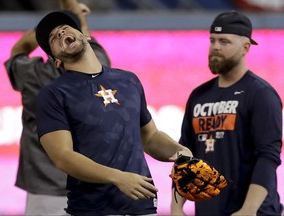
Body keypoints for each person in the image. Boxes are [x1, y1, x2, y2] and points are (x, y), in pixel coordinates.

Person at [34, 8, 193, 215]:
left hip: (142, 205)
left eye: (65, 28)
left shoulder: (128, 80)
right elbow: (63, 157)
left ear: (85, 35)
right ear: (56, 60)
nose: (61, 33)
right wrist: (118, 177)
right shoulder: (54, 94)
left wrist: (182, 152)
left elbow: (151, 137)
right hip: (91, 209)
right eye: (54, 38)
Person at [170, 11, 283, 216]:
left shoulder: (260, 94)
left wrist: (248, 210)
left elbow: (268, 156)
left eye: (224, 41)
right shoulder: (199, 96)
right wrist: (176, 207)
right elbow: (185, 155)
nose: (215, 47)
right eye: (212, 40)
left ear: (245, 47)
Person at [4, 1, 111, 215]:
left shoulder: (33, 74)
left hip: (46, 193)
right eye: (55, 35)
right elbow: (87, 41)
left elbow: (18, 50)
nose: (62, 34)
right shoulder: (102, 67)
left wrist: (46, 30)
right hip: (93, 189)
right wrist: (74, 17)